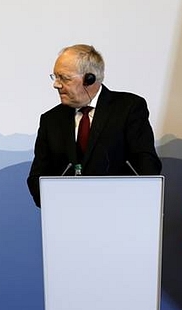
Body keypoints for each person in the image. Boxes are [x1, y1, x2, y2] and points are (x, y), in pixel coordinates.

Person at [27, 44, 161, 207]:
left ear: (89, 79)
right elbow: (37, 177)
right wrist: (58, 204)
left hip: (121, 214)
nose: (56, 85)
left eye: (64, 78)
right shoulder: (51, 120)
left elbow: (147, 168)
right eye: (55, 77)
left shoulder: (128, 108)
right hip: (67, 218)